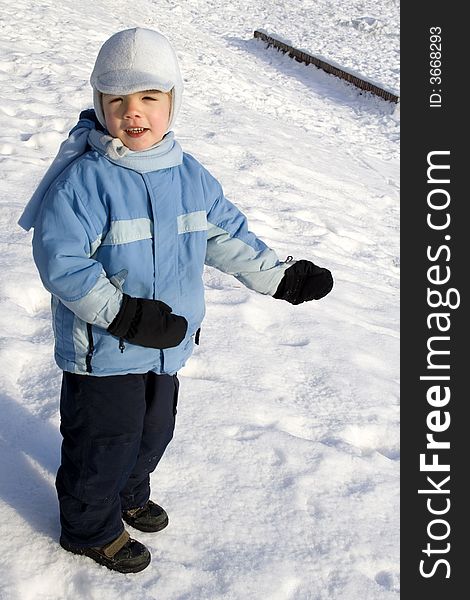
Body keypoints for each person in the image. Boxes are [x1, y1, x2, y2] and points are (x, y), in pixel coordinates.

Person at [19, 27, 333, 573]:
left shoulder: (189, 177)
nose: (132, 113)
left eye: (148, 98)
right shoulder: (84, 183)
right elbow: (63, 264)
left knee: (154, 430)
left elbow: (226, 236)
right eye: (116, 100)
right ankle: (89, 527)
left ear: (172, 102)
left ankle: (128, 493)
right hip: (104, 351)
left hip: (168, 345)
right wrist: (126, 315)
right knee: (103, 442)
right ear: (100, 104)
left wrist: (280, 278)